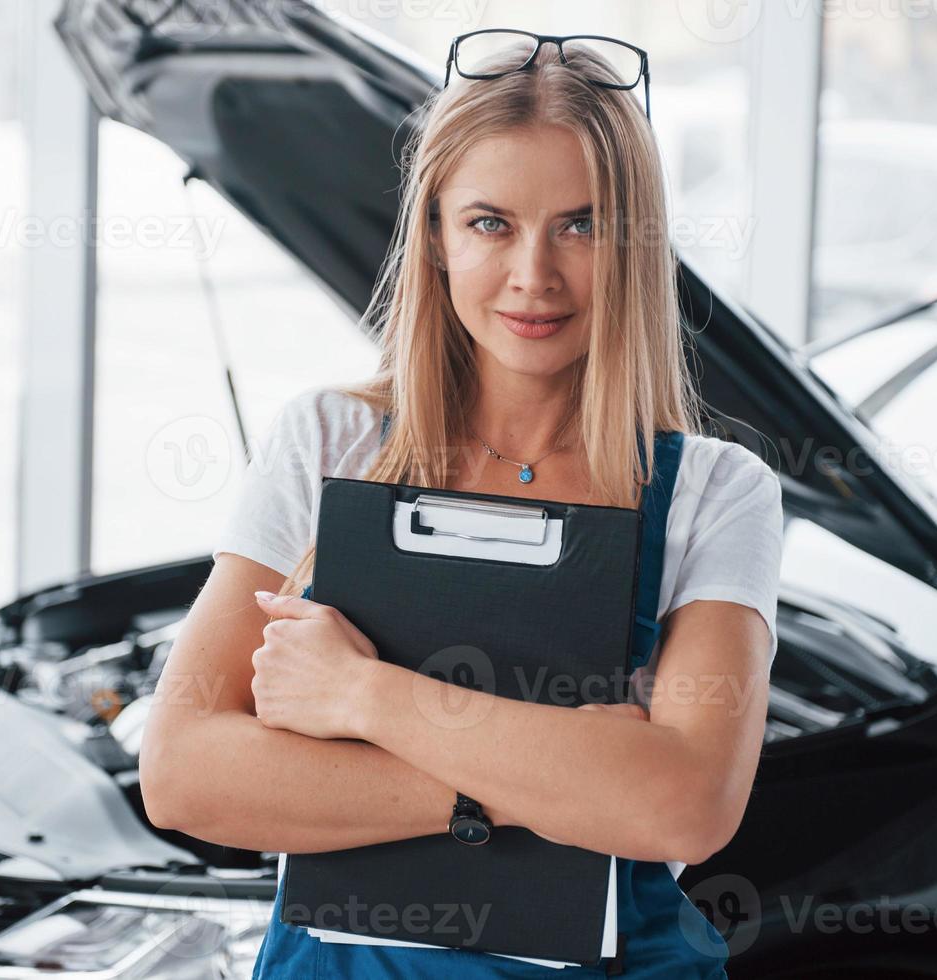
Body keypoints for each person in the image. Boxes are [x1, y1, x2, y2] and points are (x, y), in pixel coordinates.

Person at [140, 30, 784, 979]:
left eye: (582, 223)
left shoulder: (716, 493)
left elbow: (681, 807)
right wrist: (557, 780)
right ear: (435, 235)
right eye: (490, 223)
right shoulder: (328, 443)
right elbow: (183, 773)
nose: (534, 275)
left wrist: (360, 694)